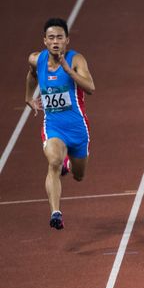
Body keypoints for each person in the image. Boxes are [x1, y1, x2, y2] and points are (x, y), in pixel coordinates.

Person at [25, 17, 96, 229]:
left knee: (79, 176)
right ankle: (56, 212)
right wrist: (29, 97)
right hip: (53, 126)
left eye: (59, 37)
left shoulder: (76, 60)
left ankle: (69, 162)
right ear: (45, 41)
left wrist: (69, 71)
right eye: (51, 38)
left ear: (67, 40)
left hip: (78, 128)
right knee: (53, 162)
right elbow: (31, 75)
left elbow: (91, 87)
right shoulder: (36, 59)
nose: (55, 41)